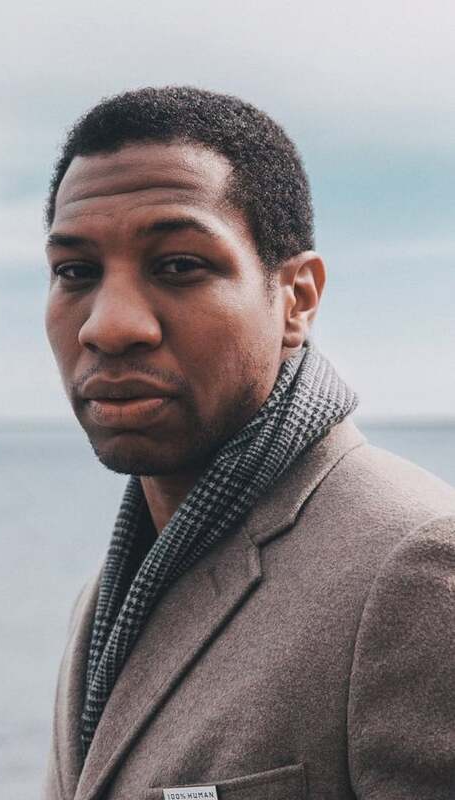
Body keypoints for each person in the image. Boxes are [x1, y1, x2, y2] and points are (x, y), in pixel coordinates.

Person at [42, 87, 455, 800]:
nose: (109, 326)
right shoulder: (106, 598)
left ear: (297, 298)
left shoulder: (413, 570)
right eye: (76, 272)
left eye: (179, 265)